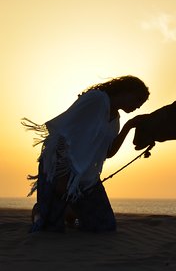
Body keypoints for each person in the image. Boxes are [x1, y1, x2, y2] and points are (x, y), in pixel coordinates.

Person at [23, 75, 149, 232]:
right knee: (48, 228)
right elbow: (63, 133)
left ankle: (70, 210)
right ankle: (39, 212)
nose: (138, 106)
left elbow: (108, 153)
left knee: (105, 226)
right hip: (60, 168)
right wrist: (62, 177)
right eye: (138, 100)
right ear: (126, 91)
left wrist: (128, 127)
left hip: (85, 178)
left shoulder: (115, 119)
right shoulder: (97, 100)